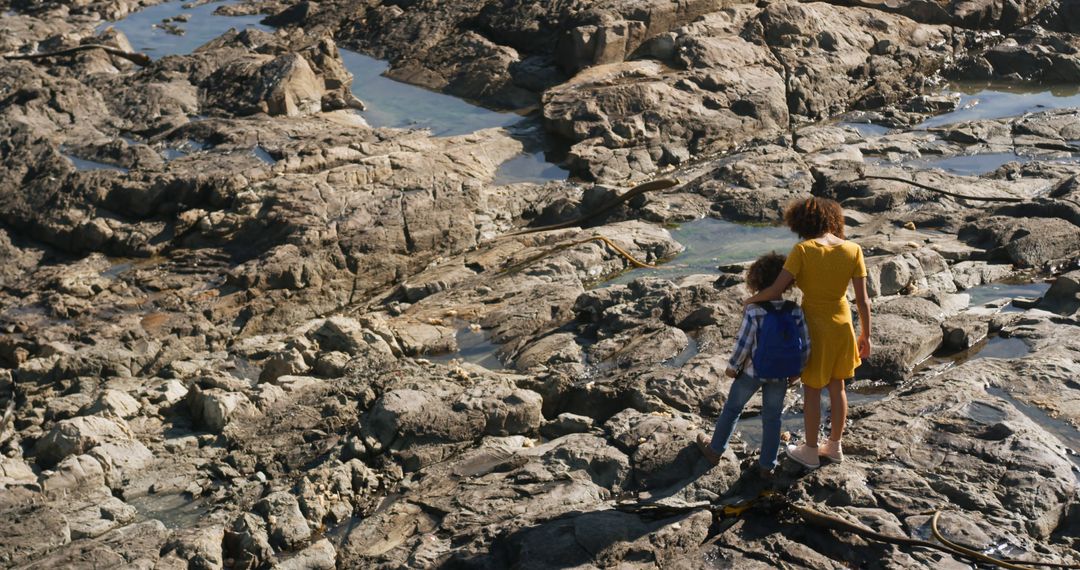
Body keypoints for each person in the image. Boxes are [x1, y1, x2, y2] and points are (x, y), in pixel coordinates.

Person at [743, 197, 871, 469]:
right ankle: (834, 446)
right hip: (843, 323)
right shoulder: (853, 249)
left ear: (803, 222)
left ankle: (810, 450)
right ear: (833, 220)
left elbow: (776, 290)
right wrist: (866, 335)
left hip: (814, 324)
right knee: (838, 387)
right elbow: (863, 300)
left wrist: (749, 301)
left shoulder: (803, 250)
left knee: (812, 390)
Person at [696, 252, 810, 474]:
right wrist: (800, 370)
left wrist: (732, 366)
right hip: (780, 375)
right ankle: (767, 465)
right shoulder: (794, 309)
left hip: (752, 372)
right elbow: (805, 343)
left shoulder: (755, 309)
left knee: (732, 409)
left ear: (756, 280)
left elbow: (744, 342)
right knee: (773, 418)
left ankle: (715, 449)